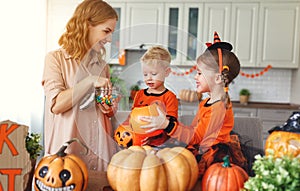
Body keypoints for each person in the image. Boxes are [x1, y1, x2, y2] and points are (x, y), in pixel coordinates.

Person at [140, 32, 247, 177]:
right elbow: (192, 131)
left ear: (217, 78)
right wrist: (162, 134)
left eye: (199, 73)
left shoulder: (218, 108)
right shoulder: (206, 102)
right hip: (201, 147)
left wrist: (167, 124)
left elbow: (195, 137)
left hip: (213, 157)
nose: (195, 77)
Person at [42, 0, 119, 172]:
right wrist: (89, 81)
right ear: (86, 25)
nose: (109, 39)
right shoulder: (55, 60)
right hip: (67, 153)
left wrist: (109, 105)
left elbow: (105, 111)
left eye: (111, 32)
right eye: (106, 31)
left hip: (100, 152)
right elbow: (56, 105)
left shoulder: (102, 66)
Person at [115, 45, 178, 147]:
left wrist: (152, 138)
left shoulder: (169, 97)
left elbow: (170, 125)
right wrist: (125, 126)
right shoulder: (139, 94)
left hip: (159, 145)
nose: (149, 78)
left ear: (166, 72)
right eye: (145, 74)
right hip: (137, 143)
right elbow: (132, 117)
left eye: (153, 74)